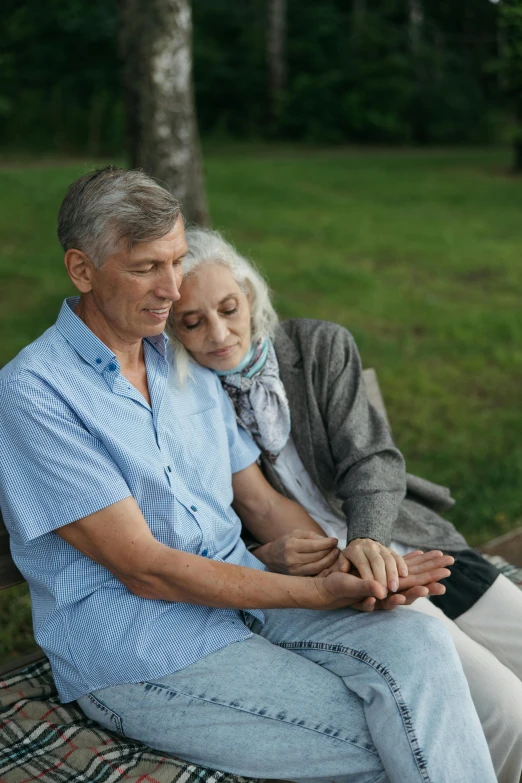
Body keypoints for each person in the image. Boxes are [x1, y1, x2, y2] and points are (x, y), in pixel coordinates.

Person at [0, 167, 495, 783]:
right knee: (393, 742)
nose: (171, 288)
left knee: (419, 644)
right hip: (145, 651)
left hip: (250, 595)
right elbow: (144, 569)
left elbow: (258, 503)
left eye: (177, 261)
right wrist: (315, 595)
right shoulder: (39, 394)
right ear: (81, 270)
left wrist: (350, 562)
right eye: (145, 267)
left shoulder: (179, 363)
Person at [170, 226, 522, 783]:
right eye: (192, 322)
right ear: (171, 330)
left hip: (396, 535)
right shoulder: (182, 402)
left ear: (251, 296)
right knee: (506, 710)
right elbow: (207, 527)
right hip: (332, 583)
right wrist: (268, 553)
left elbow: (373, 462)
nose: (218, 332)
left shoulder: (318, 348)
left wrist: (370, 540)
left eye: (229, 308)